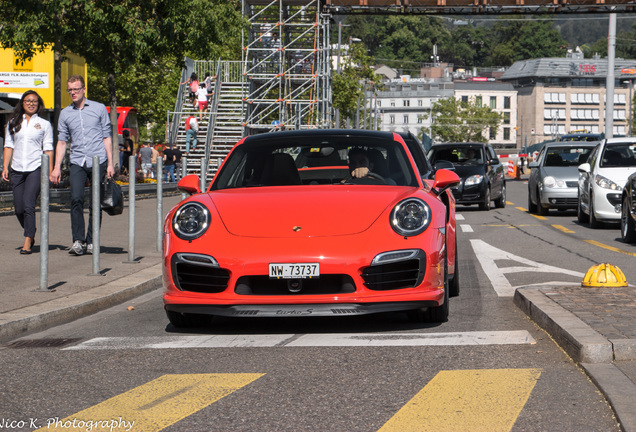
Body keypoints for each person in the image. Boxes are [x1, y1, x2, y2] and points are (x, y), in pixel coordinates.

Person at [50, 74, 114, 256]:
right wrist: (56, 167)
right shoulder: (65, 113)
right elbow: (62, 142)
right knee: (76, 199)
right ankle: (78, 240)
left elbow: (106, 137)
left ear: (84, 89)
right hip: (77, 160)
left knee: (95, 202)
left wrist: (110, 163)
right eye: (70, 90)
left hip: (98, 160)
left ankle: (92, 241)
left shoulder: (99, 108)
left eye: (76, 89)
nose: (73, 93)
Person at [2, 90, 53, 254]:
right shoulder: (13, 122)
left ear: (38, 104)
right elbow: (9, 146)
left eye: (34, 101)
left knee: (29, 204)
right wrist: (5, 167)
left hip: (36, 168)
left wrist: (50, 171)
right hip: (17, 169)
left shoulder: (44, 124)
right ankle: (31, 230)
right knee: (19, 208)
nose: (31, 103)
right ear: (22, 103)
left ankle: (27, 241)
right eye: (28, 100)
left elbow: (49, 149)